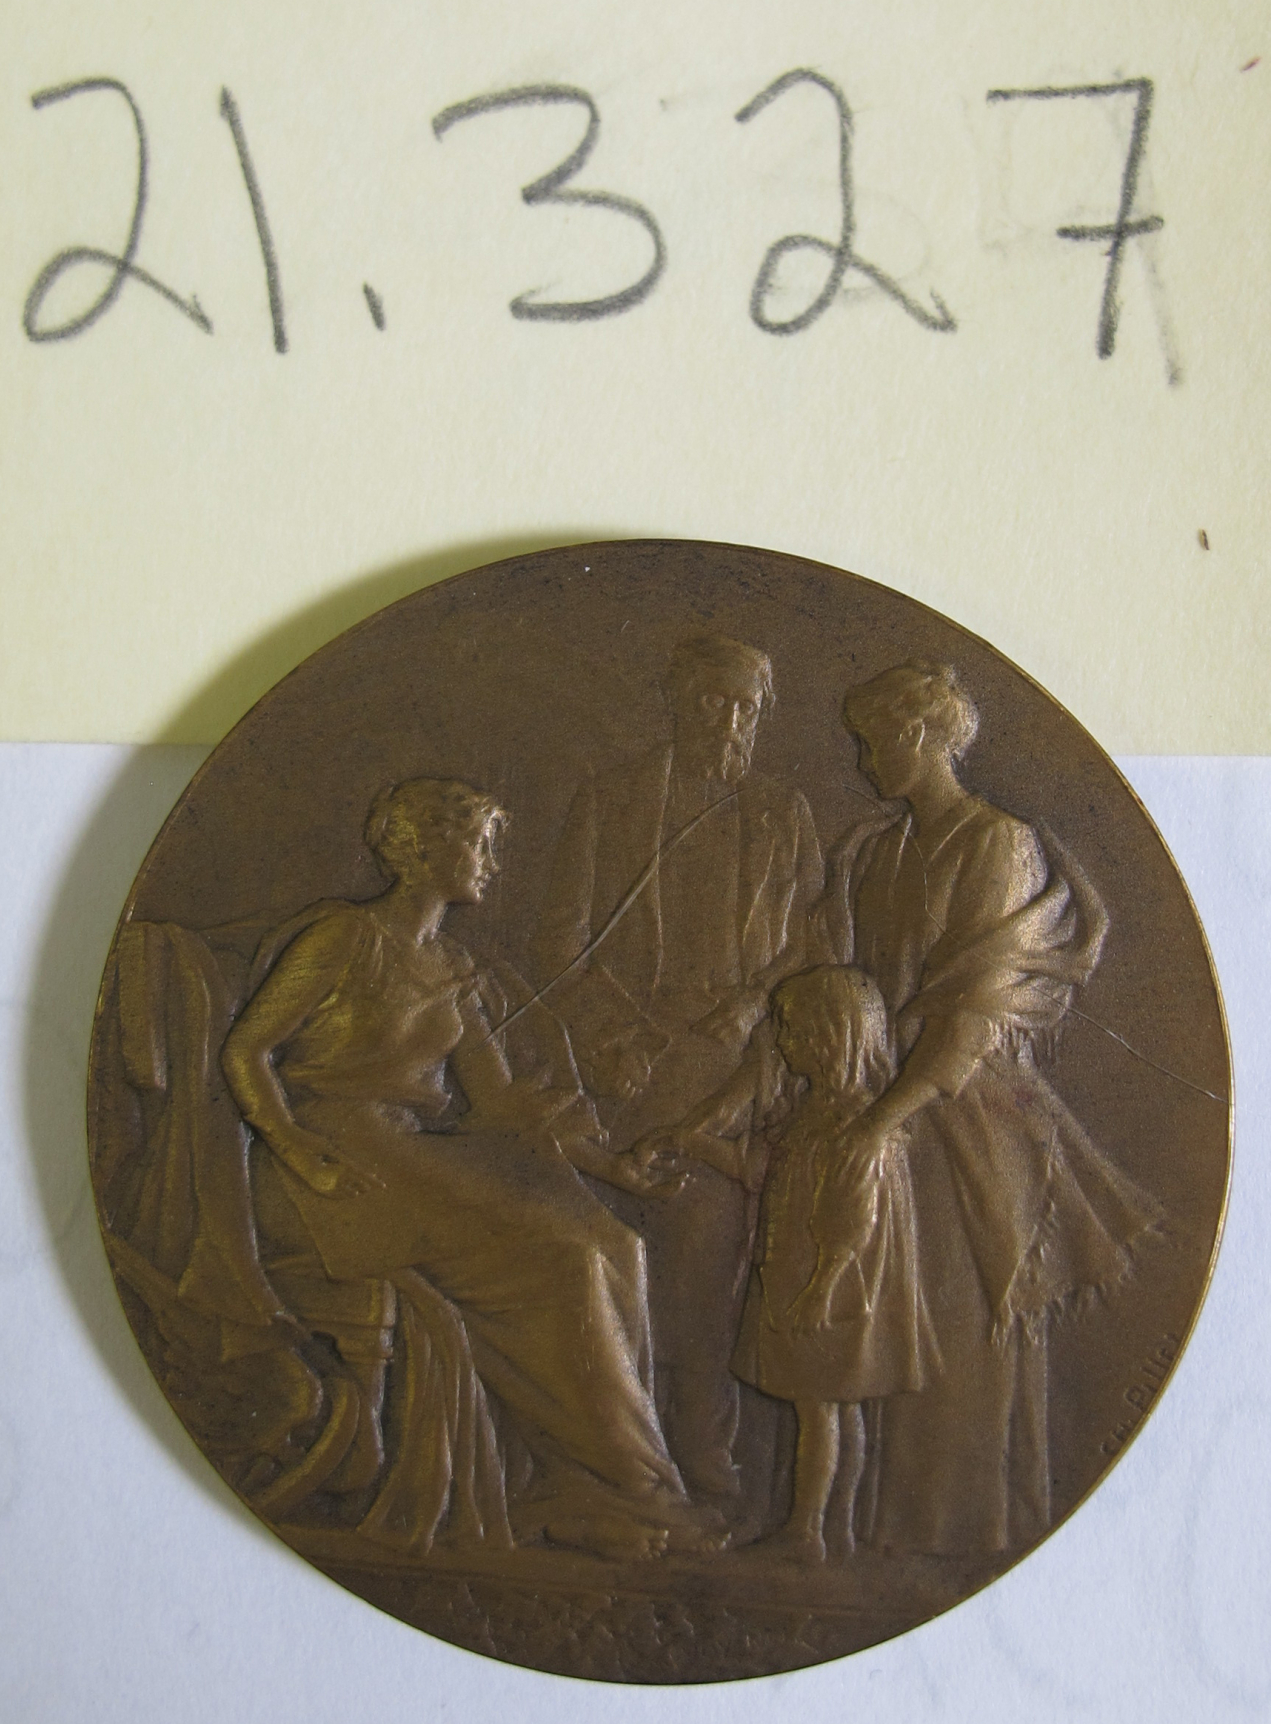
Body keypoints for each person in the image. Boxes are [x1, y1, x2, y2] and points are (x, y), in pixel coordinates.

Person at [221, 777, 702, 1560]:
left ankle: (589, 1483)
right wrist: (292, 1143)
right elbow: (247, 1049)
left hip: (408, 1153)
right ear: (422, 850)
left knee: (617, 1243)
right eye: (478, 843)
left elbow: (502, 1104)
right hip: (335, 1162)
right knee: (563, 1259)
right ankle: (631, 1486)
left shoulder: (453, 964)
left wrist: (619, 1170)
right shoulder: (344, 937)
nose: (491, 861)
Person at [821, 662, 1161, 1556]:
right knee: (897, 1328)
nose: (863, 761)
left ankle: (957, 1533)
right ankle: (891, 1537)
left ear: (923, 736)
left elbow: (977, 1008)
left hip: (973, 1121)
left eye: (875, 742)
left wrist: (885, 1117)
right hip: (890, 1106)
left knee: (964, 1328)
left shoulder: (999, 844)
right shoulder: (877, 853)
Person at [533, 632, 824, 1499]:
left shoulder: (782, 812)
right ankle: (612, 1450)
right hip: (629, 1065)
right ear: (675, 701)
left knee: (711, 1267)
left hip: (733, 1068)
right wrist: (611, 1036)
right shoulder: (612, 800)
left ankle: (702, 1450)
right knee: (619, 1259)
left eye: (744, 705)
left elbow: (815, 941)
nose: (726, 720)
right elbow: (560, 944)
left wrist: (754, 1002)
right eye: (709, 700)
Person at [724, 965, 931, 1561]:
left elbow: (849, 1219)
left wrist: (821, 1288)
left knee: (820, 1413)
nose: (783, 1043)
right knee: (838, 1411)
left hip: (824, 1291)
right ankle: (838, 1531)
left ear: (832, 1036)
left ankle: (807, 1531)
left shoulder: (856, 1130)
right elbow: (759, 1174)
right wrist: (691, 1145)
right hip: (805, 1281)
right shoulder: (815, 1117)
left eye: (792, 1030)